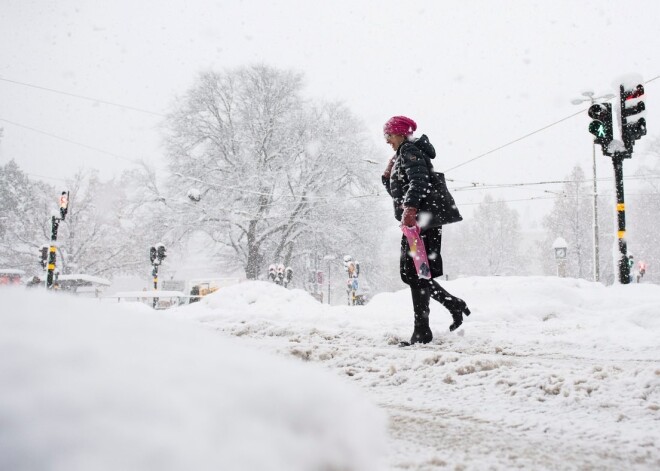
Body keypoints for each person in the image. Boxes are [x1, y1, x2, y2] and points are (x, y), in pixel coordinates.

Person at [381, 115, 471, 345]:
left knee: (415, 274)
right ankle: (450, 306)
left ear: (400, 133)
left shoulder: (410, 151)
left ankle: (423, 331)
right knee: (413, 274)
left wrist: (410, 210)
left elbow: (419, 182)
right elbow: (400, 190)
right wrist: (386, 177)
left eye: (389, 135)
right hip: (418, 224)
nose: (387, 140)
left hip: (421, 223)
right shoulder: (404, 153)